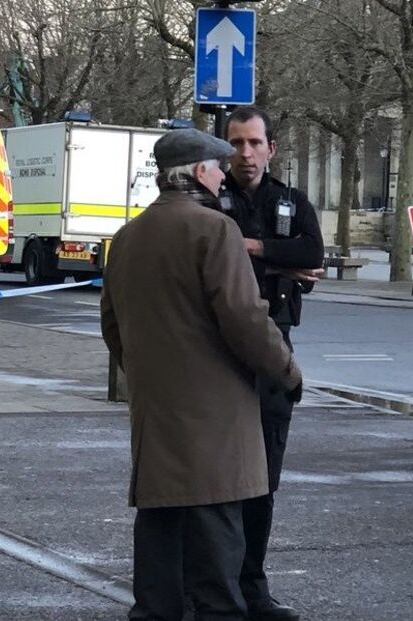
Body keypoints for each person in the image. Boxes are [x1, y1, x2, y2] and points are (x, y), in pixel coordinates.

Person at [101, 128, 303, 621]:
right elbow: (244, 316)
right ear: (197, 172)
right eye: (217, 166)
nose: (223, 174)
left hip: (155, 404)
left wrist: (146, 375)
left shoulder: (128, 236)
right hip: (215, 407)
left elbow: (112, 323)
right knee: (216, 521)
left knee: (161, 519)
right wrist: (287, 371)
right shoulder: (214, 230)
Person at [220, 106, 324, 621]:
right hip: (218, 351)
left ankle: (252, 588)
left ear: (270, 147)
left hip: (274, 345)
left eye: (254, 143)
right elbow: (210, 255)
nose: (245, 154)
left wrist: (254, 246)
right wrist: (283, 260)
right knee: (215, 477)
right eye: (236, 143)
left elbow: (313, 250)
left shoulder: (290, 200)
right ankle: (212, 588)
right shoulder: (209, 200)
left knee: (263, 473)